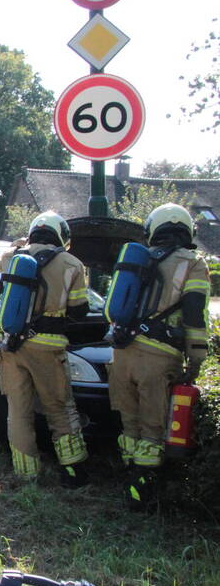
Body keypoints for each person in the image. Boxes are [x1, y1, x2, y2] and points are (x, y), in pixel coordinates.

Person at [108, 203, 209, 510]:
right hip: (159, 356)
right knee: (153, 428)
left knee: (129, 423)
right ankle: (141, 492)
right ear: (186, 230)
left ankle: (127, 476)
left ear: (153, 229)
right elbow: (194, 313)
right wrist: (197, 357)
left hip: (122, 354)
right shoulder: (194, 263)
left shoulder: (138, 259)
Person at [0, 211, 91, 487]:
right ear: (61, 235)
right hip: (49, 347)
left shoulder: (14, 257)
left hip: (12, 345)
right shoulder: (72, 263)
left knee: (19, 411)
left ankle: (27, 473)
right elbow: (80, 310)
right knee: (59, 408)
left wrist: (16, 245)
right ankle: (73, 471)